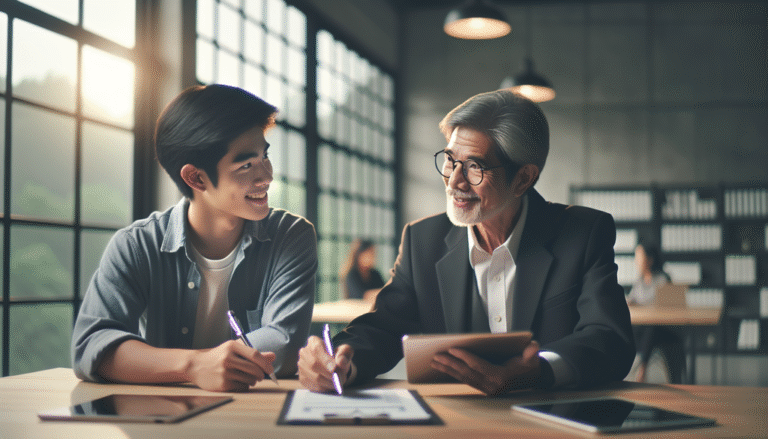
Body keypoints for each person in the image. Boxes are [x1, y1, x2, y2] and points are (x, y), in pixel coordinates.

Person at [298, 89, 635, 395]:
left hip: (556, 421)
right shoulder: (422, 241)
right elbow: (384, 326)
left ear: (523, 178)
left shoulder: (583, 233)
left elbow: (609, 339)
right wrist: (341, 361)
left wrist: (541, 370)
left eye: (475, 167)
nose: (454, 181)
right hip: (457, 423)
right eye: (450, 160)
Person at [72, 84, 317, 392]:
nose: (266, 176)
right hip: (166, 420)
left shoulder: (291, 236)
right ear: (196, 178)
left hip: (257, 414)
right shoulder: (136, 246)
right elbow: (92, 347)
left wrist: (155, 362)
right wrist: (195, 366)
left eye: (264, 157)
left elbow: (284, 341)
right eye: (246, 165)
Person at [625, 243, 680, 383]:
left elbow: (668, 306)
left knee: (651, 328)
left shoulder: (663, 280)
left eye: (639, 257)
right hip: (642, 329)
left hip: (661, 329)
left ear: (650, 259)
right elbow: (632, 299)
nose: (636, 261)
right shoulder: (639, 281)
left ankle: (641, 369)